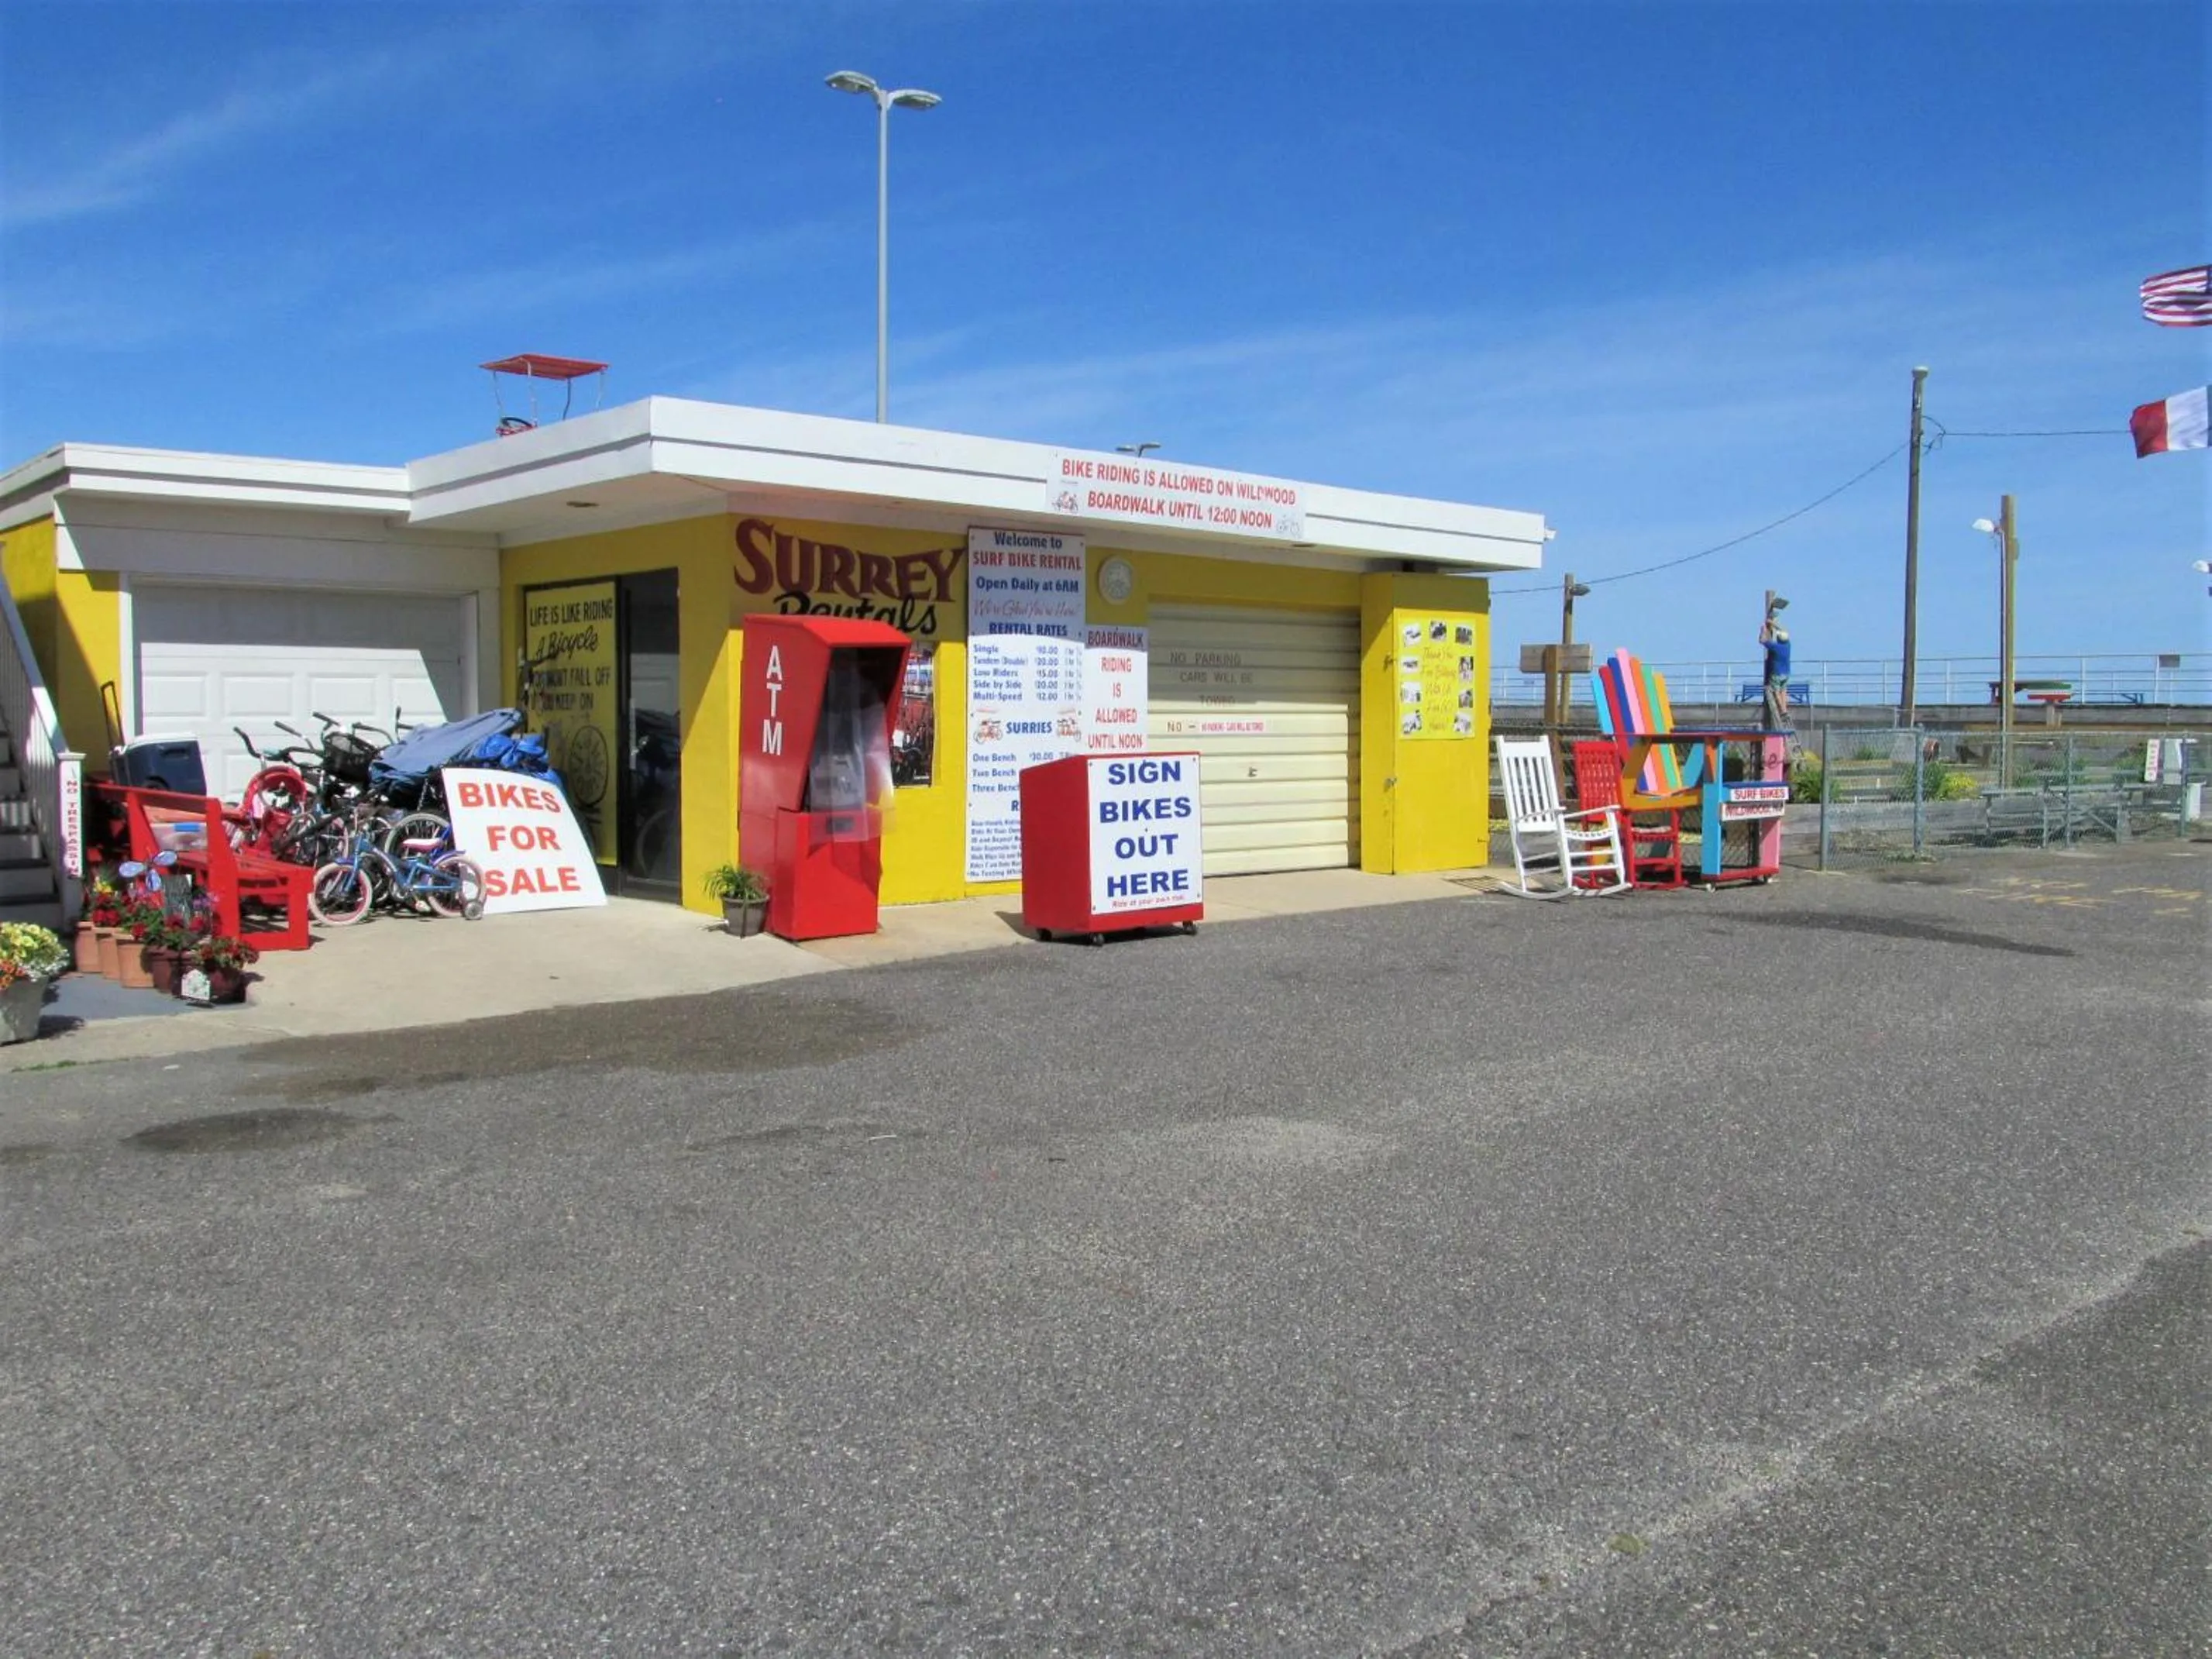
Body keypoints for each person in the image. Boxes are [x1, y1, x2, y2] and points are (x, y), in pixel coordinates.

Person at [1760, 614, 1792, 731]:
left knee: (1777, 691)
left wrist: (1763, 630)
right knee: (1784, 690)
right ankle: (1785, 709)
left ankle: (1782, 710)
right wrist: (1773, 623)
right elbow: (1783, 631)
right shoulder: (1788, 645)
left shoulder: (1776, 647)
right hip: (1786, 673)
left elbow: (1762, 641)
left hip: (1777, 673)